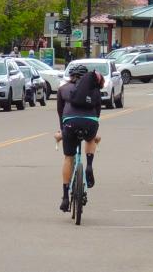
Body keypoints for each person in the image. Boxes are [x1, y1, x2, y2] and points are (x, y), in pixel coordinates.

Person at [55, 64, 103, 212]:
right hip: (90, 123)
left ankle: (65, 197)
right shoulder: (94, 89)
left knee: (68, 158)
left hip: (70, 123)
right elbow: (97, 112)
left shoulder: (63, 89)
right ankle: (89, 165)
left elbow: (60, 112)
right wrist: (93, 131)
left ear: (70, 76)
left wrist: (63, 131)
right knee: (90, 139)